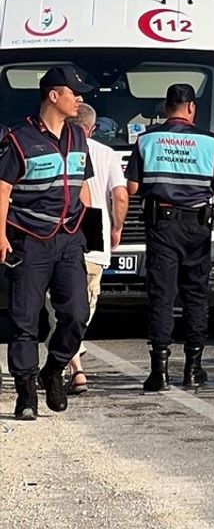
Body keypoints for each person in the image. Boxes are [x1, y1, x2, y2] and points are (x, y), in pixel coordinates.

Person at [0, 67, 95, 420]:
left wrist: (92, 234)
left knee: (77, 314)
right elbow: (2, 190)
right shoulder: (19, 139)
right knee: (24, 320)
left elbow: (84, 187)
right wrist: (0, 236)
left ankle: (53, 369)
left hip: (69, 239)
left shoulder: (78, 136)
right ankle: (26, 392)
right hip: (30, 240)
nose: (80, 99)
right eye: (74, 93)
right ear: (54, 96)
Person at [125, 84, 214, 391]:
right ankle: (193, 368)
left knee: (162, 295)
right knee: (196, 294)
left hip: (162, 225)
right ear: (192, 108)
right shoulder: (209, 141)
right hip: (197, 226)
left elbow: (132, 188)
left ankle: (159, 371)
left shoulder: (147, 139)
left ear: (165, 107)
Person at [60, 105, 127, 394]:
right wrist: (117, 228)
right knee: (85, 304)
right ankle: (74, 364)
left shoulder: (57, 148)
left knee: (60, 305)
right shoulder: (106, 153)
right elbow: (120, 195)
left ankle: (72, 362)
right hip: (94, 237)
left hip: (61, 235)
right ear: (93, 128)